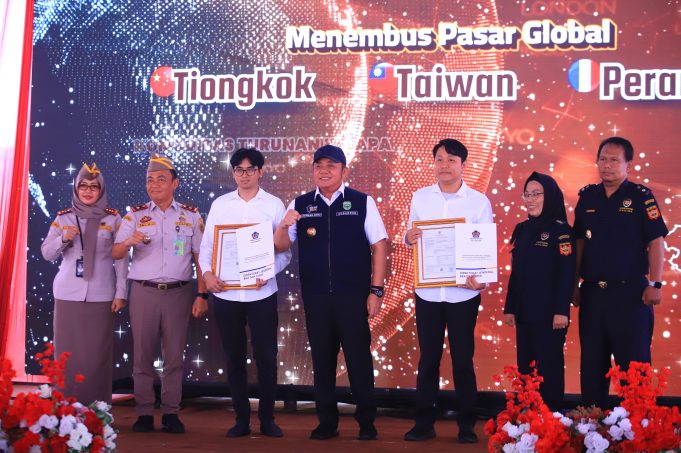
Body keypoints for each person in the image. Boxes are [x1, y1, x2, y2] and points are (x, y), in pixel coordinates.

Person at [274, 144, 388, 441]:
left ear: (343, 171)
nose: (324, 171)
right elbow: (281, 245)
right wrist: (284, 226)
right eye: (319, 166)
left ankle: (367, 422)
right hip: (316, 297)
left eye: (331, 166)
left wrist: (376, 291)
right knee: (322, 362)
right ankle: (327, 422)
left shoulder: (361, 201)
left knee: (359, 361)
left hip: (353, 296)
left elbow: (379, 246)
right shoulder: (300, 204)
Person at [403, 138, 492, 443]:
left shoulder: (478, 201)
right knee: (428, 360)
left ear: (463, 165)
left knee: (463, 360)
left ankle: (467, 425)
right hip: (428, 293)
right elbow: (412, 236)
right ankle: (423, 424)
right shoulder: (420, 197)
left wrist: (481, 279)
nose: (444, 165)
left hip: (463, 294)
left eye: (451, 160)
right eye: (439, 159)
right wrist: (408, 237)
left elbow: (484, 247)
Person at [198, 148, 291, 438]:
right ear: (233, 173)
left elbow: (285, 252)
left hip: (262, 293)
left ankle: (267, 419)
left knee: (266, 356)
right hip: (226, 295)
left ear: (261, 172)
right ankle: (241, 419)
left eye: (251, 169)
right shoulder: (220, 205)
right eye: (239, 169)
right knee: (233, 357)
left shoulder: (274, 205)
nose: (244, 175)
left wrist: (268, 272)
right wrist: (208, 274)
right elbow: (207, 248)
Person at [112, 153, 208, 434]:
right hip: (144, 292)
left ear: (174, 183)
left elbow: (200, 257)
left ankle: (170, 413)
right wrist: (128, 242)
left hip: (179, 292)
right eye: (150, 180)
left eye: (161, 179)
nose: (154, 184)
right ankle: (144, 412)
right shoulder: (135, 215)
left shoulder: (190, 215)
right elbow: (115, 253)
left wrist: (202, 294)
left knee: (174, 357)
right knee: (142, 355)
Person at [573, 137, 668, 409]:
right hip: (593, 294)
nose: (607, 165)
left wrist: (656, 283)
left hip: (630, 295)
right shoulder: (588, 197)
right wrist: (573, 284)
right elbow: (579, 242)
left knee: (634, 366)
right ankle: (592, 425)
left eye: (614, 160)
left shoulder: (641, 197)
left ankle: (638, 425)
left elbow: (656, 241)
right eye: (603, 159)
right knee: (592, 364)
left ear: (628, 164)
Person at [41, 163, 127, 405]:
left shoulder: (113, 218)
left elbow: (121, 259)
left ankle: (98, 409)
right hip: (68, 294)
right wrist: (63, 238)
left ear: (101, 190)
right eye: (83, 186)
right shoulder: (63, 218)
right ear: (76, 188)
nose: (88, 191)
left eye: (94, 186)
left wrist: (121, 292)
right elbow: (47, 253)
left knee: (97, 355)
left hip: (102, 295)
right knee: (67, 356)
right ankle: (66, 409)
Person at [503, 172, 575, 410]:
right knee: (526, 368)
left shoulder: (561, 231)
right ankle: (528, 418)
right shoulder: (522, 229)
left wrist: (562, 310)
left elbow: (567, 273)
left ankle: (551, 419)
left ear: (550, 196)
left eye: (537, 194)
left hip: (550, 314)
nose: (530, 199)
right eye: (527, 194)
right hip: (524, 312)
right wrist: (510, 308)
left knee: (549, 368)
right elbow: (516, 272)